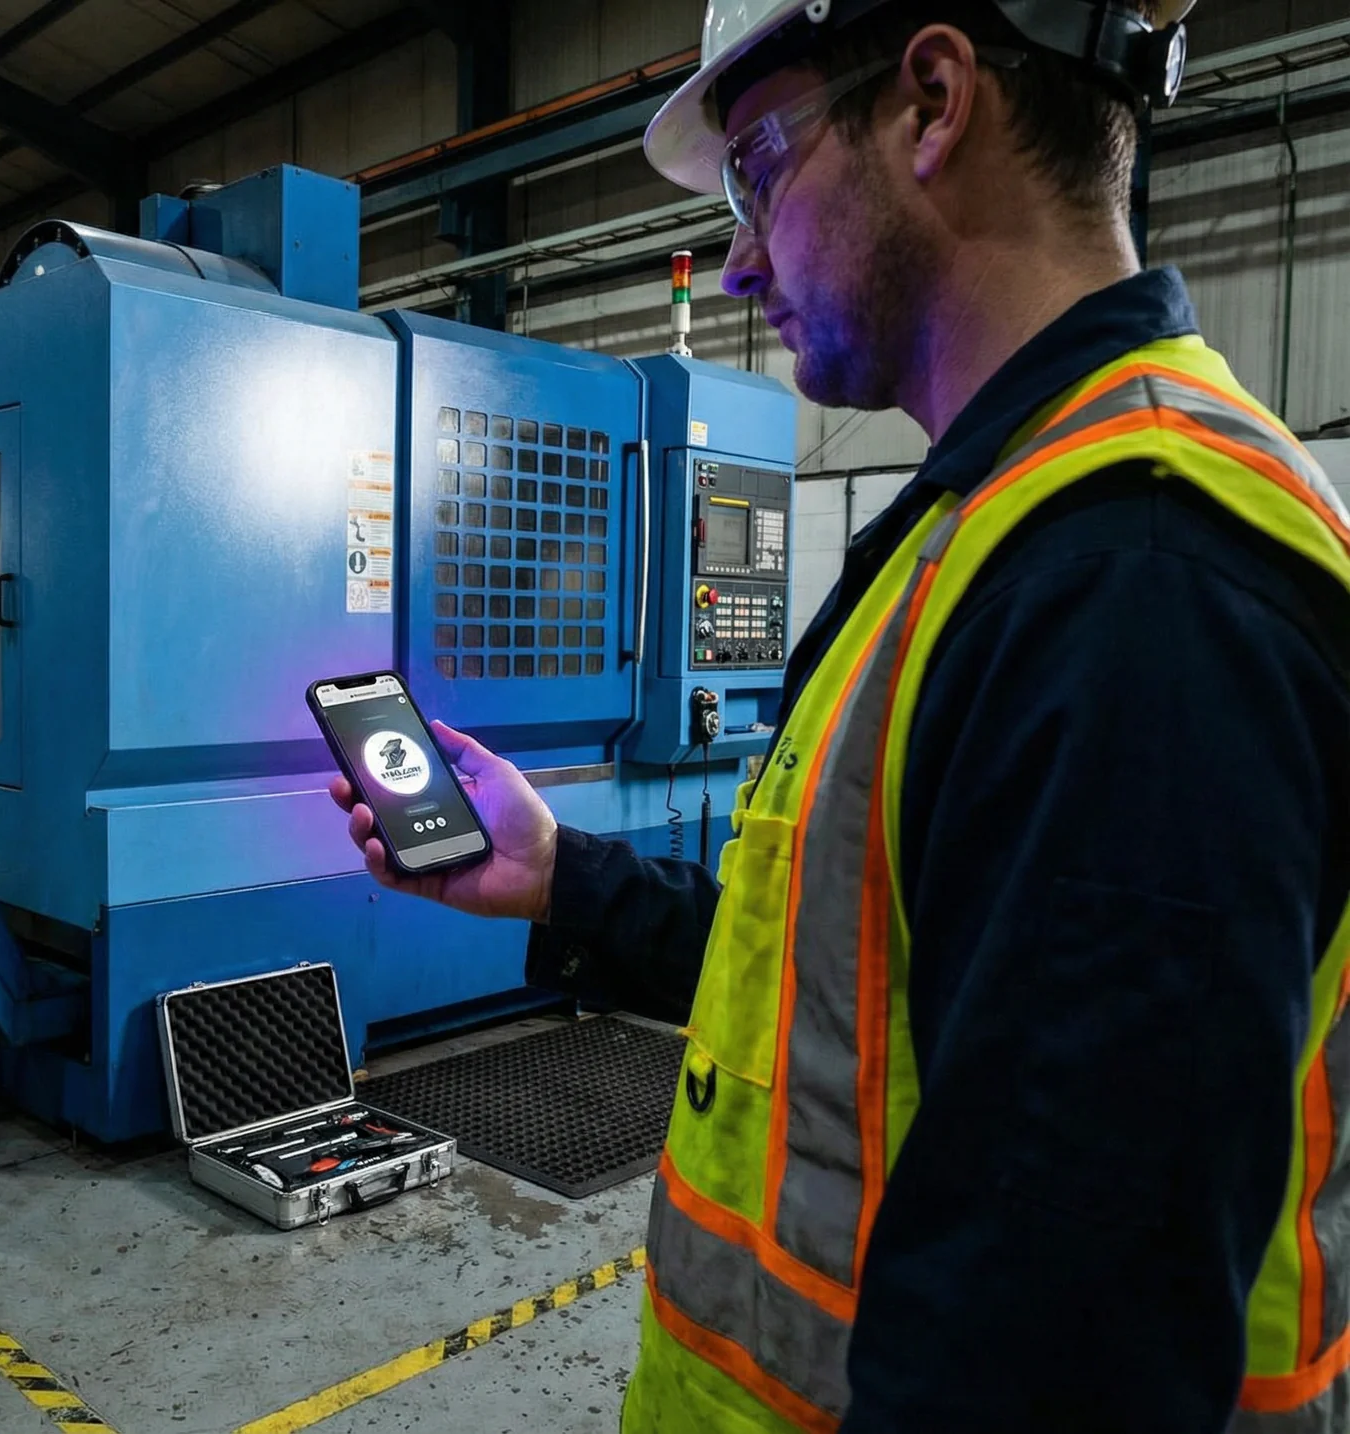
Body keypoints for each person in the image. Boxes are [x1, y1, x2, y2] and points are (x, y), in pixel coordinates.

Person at [329, 1, 1350, 1429]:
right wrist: (567, 876)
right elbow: (839, 991)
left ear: (932, 101)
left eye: (759, 166)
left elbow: (1065, 1351)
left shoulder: (1136, 582)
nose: (740, 259)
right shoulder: (999, 532)